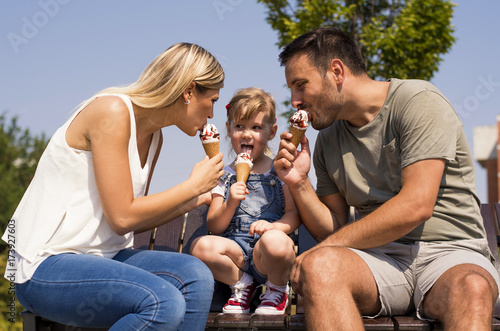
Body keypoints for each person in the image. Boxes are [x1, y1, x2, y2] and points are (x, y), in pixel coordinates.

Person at [273, 26, 500, 330]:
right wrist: (298, 182)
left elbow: (416, 206)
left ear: (337, 71)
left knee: (472, 287)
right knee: (320, 267)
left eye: (301, 85)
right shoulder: (327, 141)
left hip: (451, 252)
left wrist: (327, 247)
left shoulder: (418, 101)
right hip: (380, 261)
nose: (295, 100)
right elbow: (335, 228)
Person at [2, 42, 226, 331]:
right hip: (45, 265)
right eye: (213, 101)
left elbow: (135, 217)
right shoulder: (111, 110)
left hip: (107, 258)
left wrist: (192, 200)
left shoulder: (155, 139)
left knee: (196, 275)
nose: (211, 115)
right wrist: (191, 186)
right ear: (189, 91)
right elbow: (122, 217)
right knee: (162, 302)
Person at [190, 87, 301, 315]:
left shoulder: (278, 170)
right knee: (201, 247)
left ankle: (277, 289)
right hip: (237, 255)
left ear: (272, 132)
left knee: (276, 243)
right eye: (240, 126)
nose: (247, 134)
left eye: (256, 127)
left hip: (269, 256)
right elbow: (214, 225)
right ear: (229, 129)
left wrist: (274, 227)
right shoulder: (223, 175)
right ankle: (242, 285)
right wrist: (230, 202)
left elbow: (293, 214)